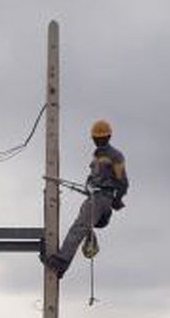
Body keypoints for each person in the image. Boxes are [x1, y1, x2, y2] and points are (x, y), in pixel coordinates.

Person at [44, 118, 128, 279]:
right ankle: (61, 267)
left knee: (79, 227)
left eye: (101, 138)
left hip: (102, 198)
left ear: (108, 137)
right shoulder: (96, 157)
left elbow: (122, 181)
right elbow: (92, 178)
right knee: (80, 226)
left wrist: (117, 199)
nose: (98, 141)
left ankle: (61, 261)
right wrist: (88, 186)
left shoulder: (115, 156)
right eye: (96, 138)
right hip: (94, 197)